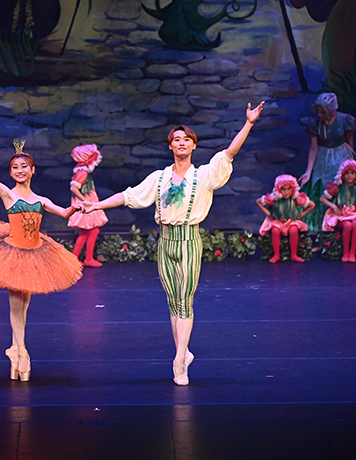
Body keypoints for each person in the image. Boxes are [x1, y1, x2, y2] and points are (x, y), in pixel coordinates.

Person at [83, 102, 265, 386]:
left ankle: (180, 361)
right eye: (176, 139)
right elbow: (129, 196)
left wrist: (249, 123)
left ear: (193, 146)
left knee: (186, 300)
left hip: (189, 240)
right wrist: (95, 205)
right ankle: (183, 352)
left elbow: (229, 153)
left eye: (186, 139)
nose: (181, 143)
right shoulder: (160, 178)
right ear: (171, 146)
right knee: (173, 302)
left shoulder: (203, 175)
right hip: (165, 240)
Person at [0, 127, 83, 382]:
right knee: (15, 304)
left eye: (24, 167)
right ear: (11, 173)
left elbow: (64, 213)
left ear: (32, 170)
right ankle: (21, 352)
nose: (20, 171)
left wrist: (77, 208)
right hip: (13, 254)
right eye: (15, 168)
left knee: (25, 306)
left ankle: (15, 350)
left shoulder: (41, 199)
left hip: (35, 253)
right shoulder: (7, 194)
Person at [298, 93, 356, 231]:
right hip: (322, 160)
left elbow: (350, 143)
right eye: (318, 111)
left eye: (323, 112)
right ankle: (324, 235)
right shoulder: (315, 124)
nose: (320, 115)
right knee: (321, 192)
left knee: (341, 192)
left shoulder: (344, 120)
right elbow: (313, 148)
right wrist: (308, 172)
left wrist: (351, 164)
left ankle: (342, 234)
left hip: (341, 158)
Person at [319, 159, 356, 263]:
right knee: (348, 225)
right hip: (341, 216)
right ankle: (345, 253)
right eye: (347, 173)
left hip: (354, 215)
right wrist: (334, 207)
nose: (349, 176)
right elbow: (322, 198)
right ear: (342, 175)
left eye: (352, 173)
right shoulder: (337, 187)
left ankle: (352, 253)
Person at [256, 174, 315, 263]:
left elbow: (312, 205)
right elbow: (258, 202)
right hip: (278, 222)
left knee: (293, 229)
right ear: (278, 189)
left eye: (289, 189)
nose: (286, 192)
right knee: (275, 230)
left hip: (290, 221)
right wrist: (269, 214)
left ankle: (294, 255)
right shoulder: (274, 199)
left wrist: (300, 215)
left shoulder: (295, 199)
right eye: (283, 189)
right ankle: (276, 255)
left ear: (293, 188)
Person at [68, 144, 108, 267]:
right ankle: (85, 258)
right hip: (86, 204)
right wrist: (84, 199)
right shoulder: (83, 173)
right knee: (91, 230)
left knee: (90, 231)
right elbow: (74, 188)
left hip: (88, 203)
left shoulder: (82, 171)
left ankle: (80, 258)